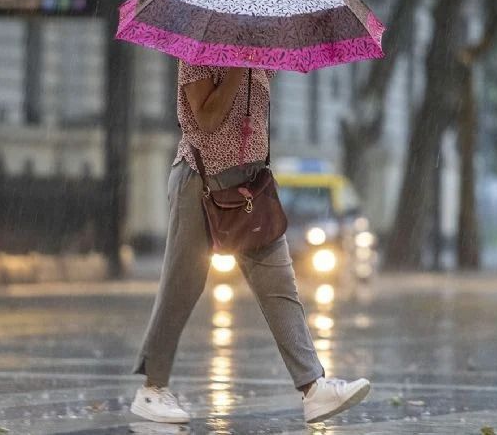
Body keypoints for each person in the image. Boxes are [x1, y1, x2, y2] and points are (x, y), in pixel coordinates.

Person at [130, 61, 370, 424]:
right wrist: (236, 71)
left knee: (280, 286)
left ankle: (313, 388)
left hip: (248, 187)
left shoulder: (257, 50)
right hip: (200, 183)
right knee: (182, 285)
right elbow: (207, 118)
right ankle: (151, 389)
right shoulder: (201, 49)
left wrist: (259, 64)